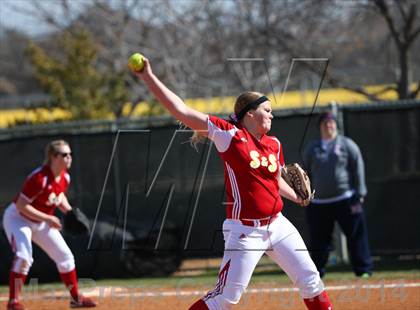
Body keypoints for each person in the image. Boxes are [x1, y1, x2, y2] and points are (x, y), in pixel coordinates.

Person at [134, 57, 333, 310]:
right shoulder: (230, 135)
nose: (272, 114)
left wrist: (296, 196)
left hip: (277, 224)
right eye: (267, 110)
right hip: (245, 232)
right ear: (250, 113)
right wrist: (148, 76)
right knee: (225, 298)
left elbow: (274, 181)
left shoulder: (274, 144)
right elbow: (181, 111)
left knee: (311, 280)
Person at [2, 140, 96, 310]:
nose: (69, 158)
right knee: (24, 256)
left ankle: (76, 299)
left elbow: (58, 197)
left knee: (65, 257)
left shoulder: (64, 177)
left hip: (40, 221)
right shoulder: (39, 178)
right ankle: (13, 302)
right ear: (53, 157)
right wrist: (48, 218)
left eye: (70, 154)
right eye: (64, 155)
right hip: (18, 219)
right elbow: (22, 206)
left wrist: (68, 211)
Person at [303, 111, 373, 278]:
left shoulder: (347, 144)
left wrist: (360, 192)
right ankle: (317, 271)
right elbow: (305, 173)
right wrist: (306, 195)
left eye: (332, 122)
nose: (329, 125)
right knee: (319, 240)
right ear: (320, 127)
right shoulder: (312, 148)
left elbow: (358, 167)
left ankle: (363, 270)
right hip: (319, 203)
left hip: (346, 199)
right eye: (325, 123)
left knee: (356, 236)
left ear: (336, 125)